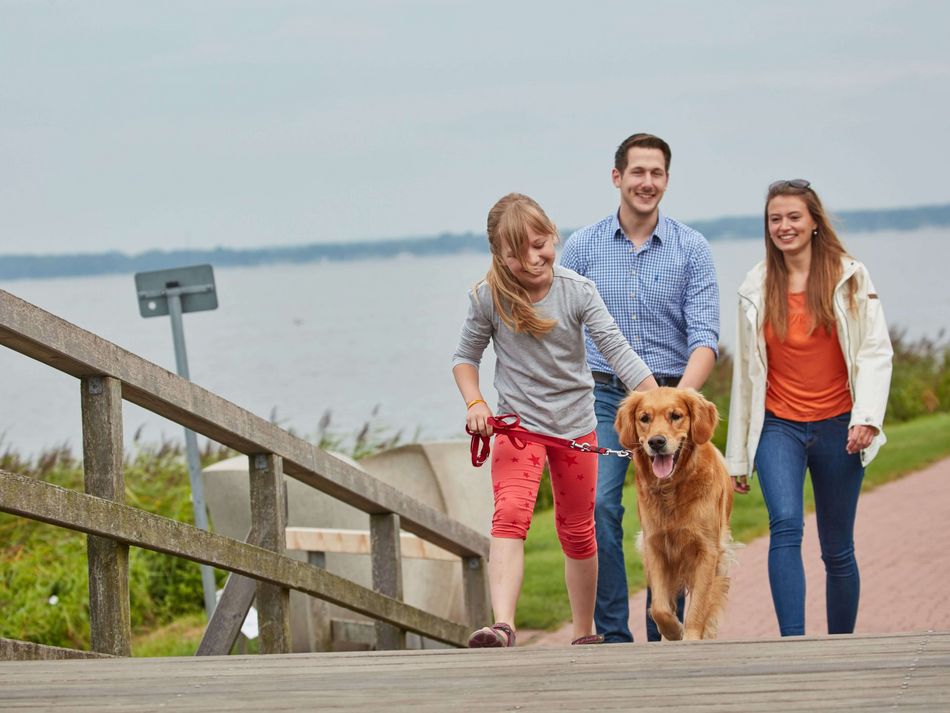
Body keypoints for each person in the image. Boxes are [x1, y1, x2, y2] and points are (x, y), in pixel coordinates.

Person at [452, 192, 658, 648]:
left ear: (552, 236)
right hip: (518, 428)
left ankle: (583, 631)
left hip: (575, 429)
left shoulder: (577, 291)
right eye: (517, 251)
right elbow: (465, 359)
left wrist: (660, 403)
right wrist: (475, 404)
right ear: (500, 256)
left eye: (540, 243)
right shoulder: (488, 298)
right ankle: (503, 624)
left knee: (578, 528)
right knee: (509, 515)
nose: (532, 258)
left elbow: (618, 352)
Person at [560, 133, 720, 642]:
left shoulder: (692, 248)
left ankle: (666, 632)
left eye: (656, 173)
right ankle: (612, 634)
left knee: (680, 517)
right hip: (608, 398)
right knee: (602, 505)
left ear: (666, 181)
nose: (646, 182)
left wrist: (680, 406)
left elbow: (705, 339)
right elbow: (562, 329)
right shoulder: (582, 246)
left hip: (676, 400)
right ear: (617, 178)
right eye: (637, 172)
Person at [725, 179, 893, 636]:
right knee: (784, 525)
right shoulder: (755, 286)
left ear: (814, 220)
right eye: (775, 219)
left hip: (840, 425)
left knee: (837, 547)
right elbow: (746, 375)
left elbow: (875, 352)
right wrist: (738, 454)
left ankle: (841, 645)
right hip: (779, 427)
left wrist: (867, 420)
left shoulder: (849, 276)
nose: (784, 226)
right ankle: (793, 644)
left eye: (794, 217)